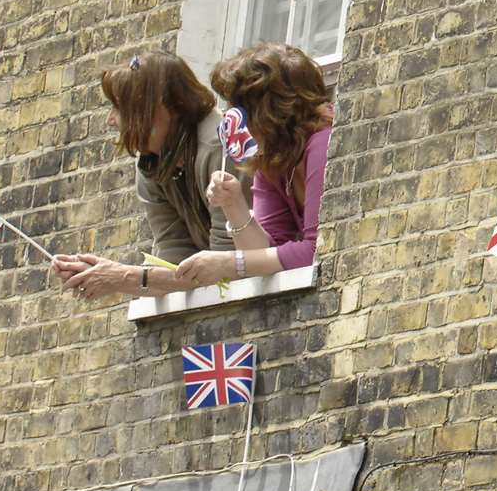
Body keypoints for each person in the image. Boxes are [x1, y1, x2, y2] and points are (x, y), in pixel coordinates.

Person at [53, 50, 254, 300]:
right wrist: (110, 277)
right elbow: (174, 257)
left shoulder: (218, 148)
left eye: (119, 107)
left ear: (158, 108)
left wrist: (123, 277)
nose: (111, 120)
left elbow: (225, 268)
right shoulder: (152, 165)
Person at [172, 42, 333, 286]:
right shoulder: (272, 160)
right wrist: (233, 204)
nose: (228, 116)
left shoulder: (323, 144)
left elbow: (316, 250)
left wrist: (229, 264)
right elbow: (265, 254)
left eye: (236, 106)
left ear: (269, 109)